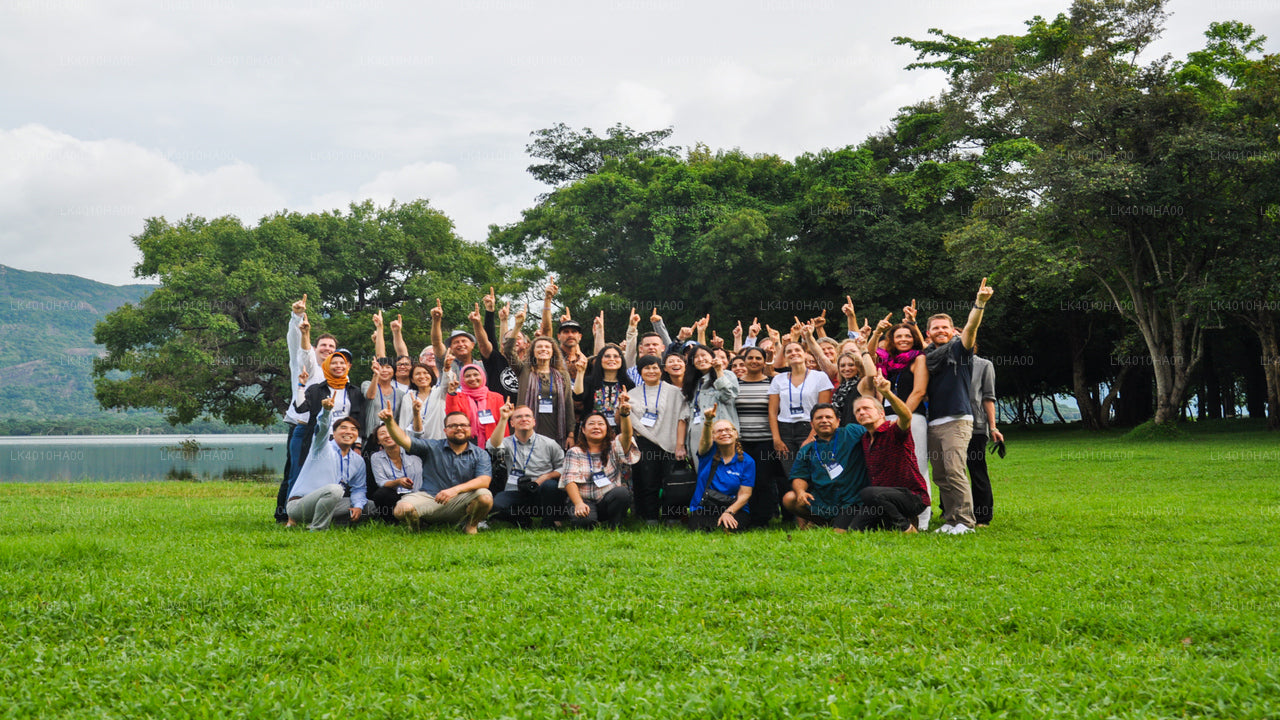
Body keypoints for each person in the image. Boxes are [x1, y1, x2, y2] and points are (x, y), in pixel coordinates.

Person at [924, 278, 995, 535]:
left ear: (953, 330)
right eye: (935, 328)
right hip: (934, 421)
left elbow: (971, 328)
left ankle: (966, 521)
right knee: (941, 475)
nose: (940, 330)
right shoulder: (927, 357)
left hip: (957, 420)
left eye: (945, 327)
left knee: (955, 470)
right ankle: (951, 519)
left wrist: (979, 304)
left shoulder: (959, 350)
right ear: (928, 332)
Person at [381, 408, 493, 534]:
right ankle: (417, 526)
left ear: (470, 428)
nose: (459, 428)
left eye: (463, 425)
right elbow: (404, 440)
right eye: (453, 425)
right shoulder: (432, 447)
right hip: (431, 498)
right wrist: (390, 422)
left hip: (461, 501)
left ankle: (470, 526)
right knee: (402, 509)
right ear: (445, 430)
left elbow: (484, 480)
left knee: (485, 497)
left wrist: (454, 490)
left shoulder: (480, 454)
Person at [280, 348, 364, 516]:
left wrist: (358, 444)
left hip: (345, 441)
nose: (338, 366)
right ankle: (291, 514)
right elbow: (300, 407)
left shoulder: (354, 391)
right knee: (309, 476)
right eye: (334, 363)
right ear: (326, 365)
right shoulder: (317, 389)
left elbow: (358, 419)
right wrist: (301, 385)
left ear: (347, 367)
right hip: (320, 440)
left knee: (339, 477)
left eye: (342, 363)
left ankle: (334, 513)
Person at [850, 376, 931, 533]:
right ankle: (896, 521)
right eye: (858, 411)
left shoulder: (893, 430)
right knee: (855, 529)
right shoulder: (865, 439)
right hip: (881, 499)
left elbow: (906, 416)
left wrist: (887, 393)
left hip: (912, 497)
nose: (862, 412)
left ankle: (906, 527)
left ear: (881, 413)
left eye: (866, 408)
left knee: (868, 493)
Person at [782, 403, 868, 532]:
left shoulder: (851, 432)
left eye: (828, 417)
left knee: (839, 533)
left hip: (852, 499)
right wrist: (801, 492)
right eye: (819, 418)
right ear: (812, 424)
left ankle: (837, 524)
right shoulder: (808, 449)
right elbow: (799, 475)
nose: (824, 421)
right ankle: (822, 522)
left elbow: (874, 433)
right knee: (790, 499)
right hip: (824, 500)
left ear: (838, 421)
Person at [285, 398, 368, 530]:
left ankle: (338, 521)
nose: (348, 432)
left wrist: (358, 506)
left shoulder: (357, 460)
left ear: (357, 435)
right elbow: (322, 428)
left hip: (330, 501)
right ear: (334, 433)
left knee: (370, 506)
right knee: (335, 490)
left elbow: (359, 488)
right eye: (343, 428)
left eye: (353, 429)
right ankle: (317, 528)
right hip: (300, 504)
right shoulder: (322, 447)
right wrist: (326, 411)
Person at [561, 392, 639, 529]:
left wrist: (625, 415)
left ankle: (615, 525)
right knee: (584, 523)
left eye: (600, 424)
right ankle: (589, 519)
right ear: (583, 430)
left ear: (606, 429)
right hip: (584, 501)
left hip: (606, 501)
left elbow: (627, 435)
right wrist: (578, 503)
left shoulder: (613, 447)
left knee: (621, 493)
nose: (596, 427)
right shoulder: (575, 452)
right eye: (591, 424)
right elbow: (569, 481)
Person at [630, 355, 689, 523]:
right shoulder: (632, 394)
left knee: (672, 482)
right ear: (640, 372)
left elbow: (682, 417)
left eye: (655, 367)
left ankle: (672, 516)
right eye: (646, 368)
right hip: (645, 442)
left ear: (661, 369)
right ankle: (650, 518)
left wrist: (680, 445)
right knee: (649, 483)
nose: (651, 371)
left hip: (671, 442)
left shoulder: (674, 392)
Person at [504, 310, 577, 447]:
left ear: (552, 352)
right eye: (539, 347)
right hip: (526, 432)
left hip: (555, 432)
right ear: (533, 352)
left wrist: (571, 434)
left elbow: (568, 404)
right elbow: (508, 350)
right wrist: (517, 326)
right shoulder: (523, 370)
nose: (543, 349)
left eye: (547, 347)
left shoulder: (562, 375)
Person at [488, 401, 567, 527]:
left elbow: (564, 467)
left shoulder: (549, 443)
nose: (524, 419)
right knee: (497, 504)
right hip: (515, 490)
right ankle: (521, 518)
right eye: (518, 417)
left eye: (527, 416)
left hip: (541, 490)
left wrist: (546, 477)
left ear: (534, 421)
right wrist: (503, 418)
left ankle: (548, 522)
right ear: (512, 423)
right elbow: (493, 447)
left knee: (551, 487)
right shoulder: (506, 443)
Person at [768, 331, 834, 478]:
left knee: (814, 470)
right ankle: (798, 499)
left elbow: (823, 409)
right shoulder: (778, 380)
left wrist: (811, 437)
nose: (793, 353)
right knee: (792, 473)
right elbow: (772, 412)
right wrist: (776, 439)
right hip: (784, 430)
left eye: (797, 350)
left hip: (810, 427)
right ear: (784, 357)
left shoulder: (820, 377)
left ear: (805, 354)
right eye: (789, 351)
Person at [733, 346, 781, 528]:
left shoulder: (772, 383)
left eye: (758, 358)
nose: (754, 361)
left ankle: (762, 519)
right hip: (741, 442)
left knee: (762, 480)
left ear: (763, 361)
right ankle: (744, 517)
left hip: (765, 440)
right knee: (742, 480)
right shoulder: (735, 384)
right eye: (750, 358)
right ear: (743, 361)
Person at [688, 404, 754, 533]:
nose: (724, 433)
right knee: (699, 527)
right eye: (718, 431)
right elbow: (705, 442)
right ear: (713, 437)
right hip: (705, 508)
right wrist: (708, 421)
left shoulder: (747, 461)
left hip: (733, 508)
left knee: (733, 525)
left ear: (736, 434)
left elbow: (745, 494)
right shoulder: (707, 453)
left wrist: (729, 512)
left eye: (728, 430)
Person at [682, 344, 739, 468]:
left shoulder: (727, 375)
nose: (701, 359)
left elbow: (728, 396)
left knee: (725, 475)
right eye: (696, 357)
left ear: (712, 357)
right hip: (697, 437)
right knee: (703, 476)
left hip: (722, 434)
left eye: (704, 355)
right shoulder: (693, 382)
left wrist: (718, 371)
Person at [967, 351, 1003, 527]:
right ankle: (949, 511)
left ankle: (982, 516)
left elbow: (988, 397)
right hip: (949, 424)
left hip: (976, 426)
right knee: (951, 470)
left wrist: (993, 426)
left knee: (977, 469)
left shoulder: (983, 365)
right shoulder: (945, 362)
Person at [367, 423, 424, 522]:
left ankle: (420, 517)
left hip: (418, 494)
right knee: (381, 494)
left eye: (391, 431)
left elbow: (418, 434)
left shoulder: (412, 449)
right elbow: (381, 482)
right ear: (378, 441)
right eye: (382, 433)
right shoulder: (376, 457)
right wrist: (398, 482)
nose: (388, 435)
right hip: (396, 495)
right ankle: (393, 522)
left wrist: (416, 412)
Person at [573, 342, 634, 428]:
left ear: (621, 360)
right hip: (592, 430)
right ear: (600, 359)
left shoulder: (628, 384)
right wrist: (580, 373)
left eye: (616, 356)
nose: (612, 359)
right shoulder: (589, 381)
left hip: (619, 432)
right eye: (607, 356)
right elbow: (577, 398)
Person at [444, 363, 506, 447]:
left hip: (492, 442)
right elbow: (452, 416)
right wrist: (451, 393)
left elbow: (502, 423)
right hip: (467, 442)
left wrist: (505, 444)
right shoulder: (457, 397)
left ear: (482, 376)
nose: (472, 378)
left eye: (476, 375)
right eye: (468, 376)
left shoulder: (496, 397)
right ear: (462, 379)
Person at [623, 306, 674, 384]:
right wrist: (632, 328)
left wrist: (658, 325)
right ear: (641, 348)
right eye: (647, 345)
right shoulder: (633, 371)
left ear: (663, 348)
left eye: (655, 344)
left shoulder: (670, 370)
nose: (651, 347)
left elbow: (671, 350)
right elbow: (630, 355)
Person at [429, 298, 477, 379]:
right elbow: (436, 343)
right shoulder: (446, 363)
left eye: (464, 341)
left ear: (472, 345)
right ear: (450, 347)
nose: (461, 344)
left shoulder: (482, 366)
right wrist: (436, 320)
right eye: (456, 342)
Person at [398, 362, 447, 440]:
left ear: (431, 376)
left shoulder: (440, 393)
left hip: (438, 441)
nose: (422, 376)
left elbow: (447, 382)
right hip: (415, 443)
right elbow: (403, 422)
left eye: (425, 373)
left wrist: (447, 368)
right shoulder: (408, 397)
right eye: (417, 374)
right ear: (412, 379)